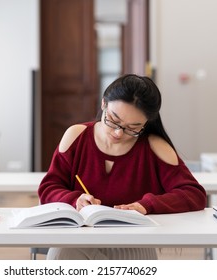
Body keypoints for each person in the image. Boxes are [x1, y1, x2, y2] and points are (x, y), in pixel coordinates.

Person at [38, 74, 207, 260]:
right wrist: (75, 200)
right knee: (61, 256)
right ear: (103, 104)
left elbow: (194, 193)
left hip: (133, 244)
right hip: (78, 240)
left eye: (133, 128)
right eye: (113, 120)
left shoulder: (154, 147)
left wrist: (146, 206)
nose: (118, 133)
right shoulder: (76, 136)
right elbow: (48, 188)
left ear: (146, 124)